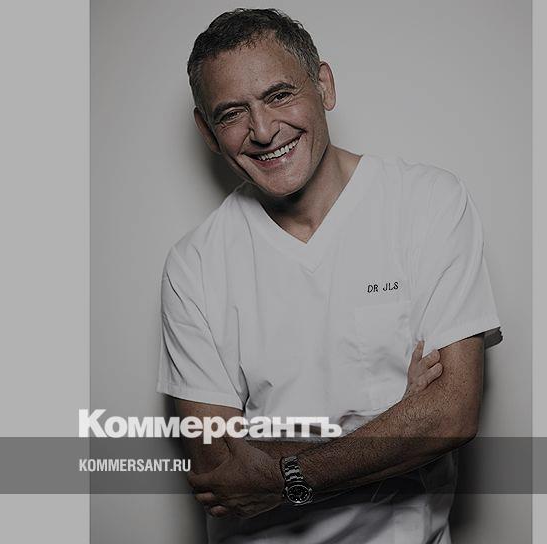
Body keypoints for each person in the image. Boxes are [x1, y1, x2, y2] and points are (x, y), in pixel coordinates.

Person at [157, 8, 502, 543]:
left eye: (279, 95)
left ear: (324, 85)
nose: (263, 130)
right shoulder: (194, 264)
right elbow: (219, 467)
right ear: (207, 131)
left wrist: (283, 475)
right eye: (232, 114)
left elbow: (451, 416)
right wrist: (399, 418)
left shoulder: (428, 204)